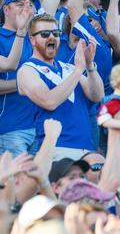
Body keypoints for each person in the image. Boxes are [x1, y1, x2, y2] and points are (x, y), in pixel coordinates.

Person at [17, 13, 104, 160]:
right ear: (32, 40)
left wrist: (89, 66)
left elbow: (97, 95)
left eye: (56, 33)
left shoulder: (68, 68)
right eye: (45, 34)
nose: (52, 37)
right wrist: (78, 70)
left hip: (86, 149)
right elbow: (49, 102)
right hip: (56, 149)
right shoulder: (27, 70)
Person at [0, 0, 34, 157]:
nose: (26, 9)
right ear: (6, 10)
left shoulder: (36, 38)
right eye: (20, 5)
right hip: (10, 129)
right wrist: (23, 84)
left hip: (38, 125)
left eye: (30, 6)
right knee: (17, 182)